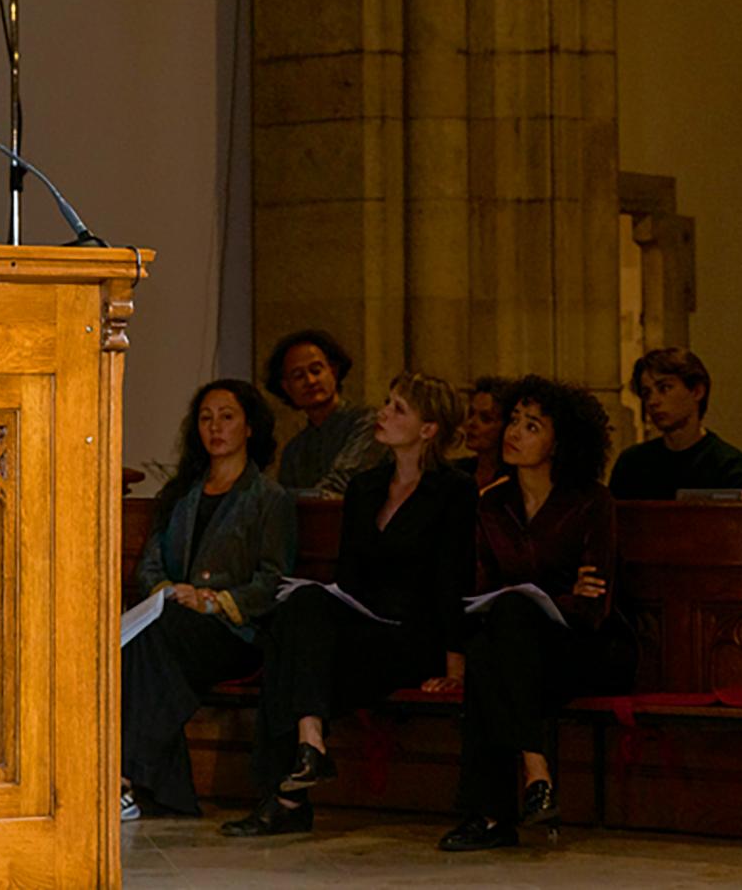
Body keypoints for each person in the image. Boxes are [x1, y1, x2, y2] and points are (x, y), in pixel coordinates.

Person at [220, 372, 477, 837]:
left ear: (428, 429)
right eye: (386, 401)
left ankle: (286, 798)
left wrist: (455, 665)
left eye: (398, 408)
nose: (383, 413)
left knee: (291, 655)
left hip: (412, 637)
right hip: (363, 625)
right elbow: (350, 576)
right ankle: (310, 743)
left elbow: (451, 581)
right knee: (299, 612)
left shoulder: (454, 490)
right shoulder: (365, 487)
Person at [439, 375, 637, 853]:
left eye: (532, 426)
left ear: (560, 441)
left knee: (501, 637)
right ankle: (533, 777)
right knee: (495, 641)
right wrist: (554, 590)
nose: (514, 433)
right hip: (519, 651)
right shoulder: (492, 503)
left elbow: (592, 606)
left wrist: (550, 599)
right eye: (515, 421)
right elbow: (481, 593)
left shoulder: (592, 501)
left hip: (589, 648)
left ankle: (495, 808)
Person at [122, 380, 296, 821]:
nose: (214, 427)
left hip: (233, 632)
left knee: (150, 644)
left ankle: (127, 778)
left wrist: (214, 601)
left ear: (250, 426)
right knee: (147, 642)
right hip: (176, 621)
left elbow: (273, 579)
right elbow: (150, 565)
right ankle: (161, 793)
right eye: (205, 417)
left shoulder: (270, 499)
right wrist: (171, 593)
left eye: (226, 416)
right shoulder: (181, 494)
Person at [609, 348, 742, 499]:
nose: (653, 402)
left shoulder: (729, 466)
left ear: (697, 392)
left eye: (664, 388)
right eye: (647, 393)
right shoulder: (632, 464)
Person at [265, 329, 379, 494]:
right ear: (286, 387)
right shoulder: (295, 449)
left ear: (333, 371)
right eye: (298, 376)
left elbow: (344, 481)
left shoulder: (366, 421)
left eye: (316, 371)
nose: (310, 381)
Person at [446, 375, 512, 487]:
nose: (471, 423)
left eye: (485, 418)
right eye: (471, 414)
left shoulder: (513, 480)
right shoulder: (455, 472)